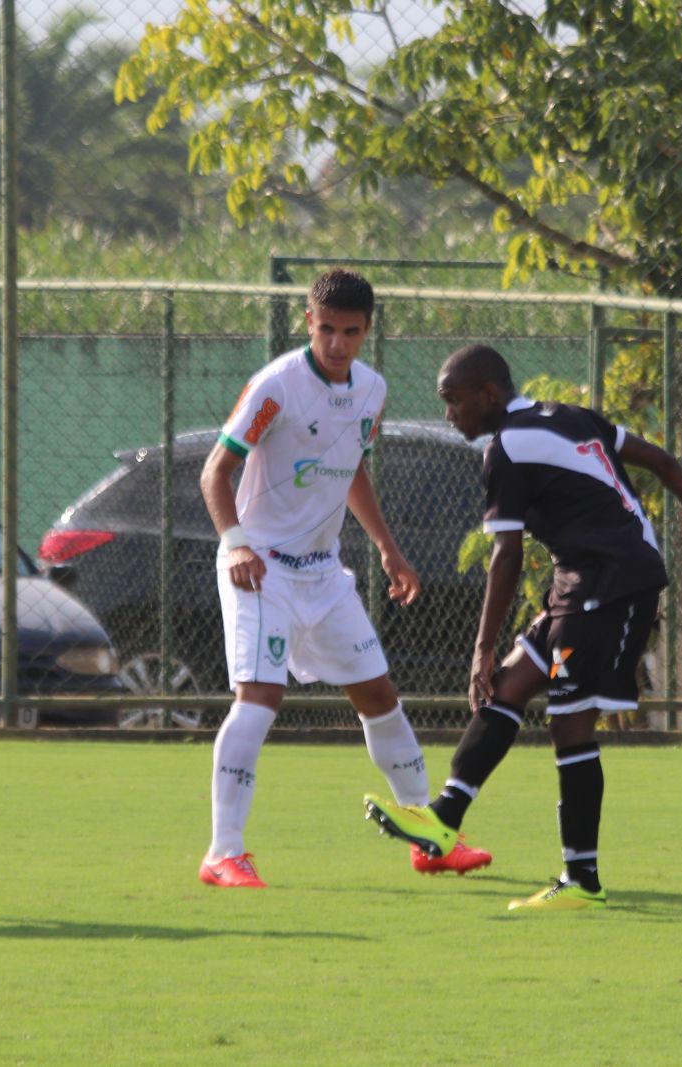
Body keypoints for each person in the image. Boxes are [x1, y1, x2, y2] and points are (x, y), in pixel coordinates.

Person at [363, 344, 682, 911]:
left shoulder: (506, 447)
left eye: (454, 401)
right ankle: (444, 820)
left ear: (489, 395)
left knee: (569, 725)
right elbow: (662, 461)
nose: (448, 414)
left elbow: (506, 556)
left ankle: (582, 881)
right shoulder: (572, 416)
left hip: (611, 582)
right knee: (506, 686)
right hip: (582, 581)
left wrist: (480, 648)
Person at [196, 268, 488, 888]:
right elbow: (214, 472)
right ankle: (224, 852)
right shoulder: (276, 385)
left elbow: (351, 468)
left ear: (367, 331)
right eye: (326, 328)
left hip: (324, 573)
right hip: (261, 569)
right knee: (259, 697)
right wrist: (237, 544)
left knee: (379, 695)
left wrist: (389, 549)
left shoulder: (372, 390)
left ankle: (430, 838)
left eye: (350, 332)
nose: (336, 343)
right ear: (309, 321)